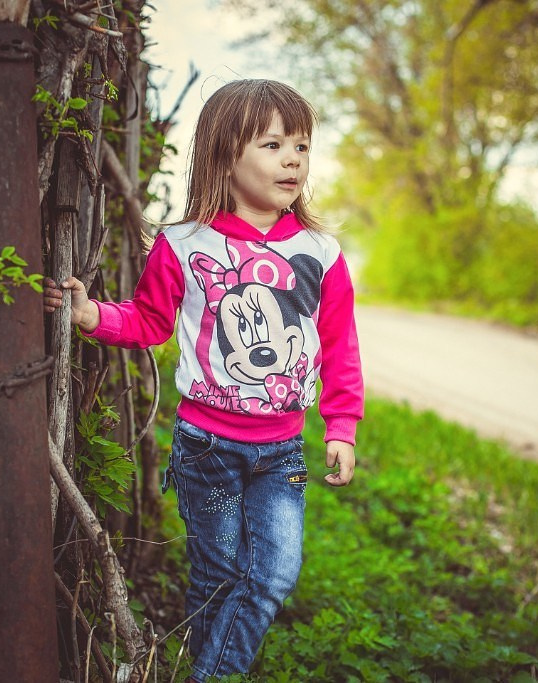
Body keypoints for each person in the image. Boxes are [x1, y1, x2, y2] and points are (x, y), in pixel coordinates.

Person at [44, 78, 364, 681]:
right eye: (273, 144)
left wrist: (341, 425)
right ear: (224, 154)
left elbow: (339, 345)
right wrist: (90, 316)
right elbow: (148, 321)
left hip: (282, 451)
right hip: (206, 447)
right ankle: (197, 662)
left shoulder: (321, 253)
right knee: (217, 580)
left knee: (271, 576)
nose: (293, 158)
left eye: (301, 145)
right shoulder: (184, 245)